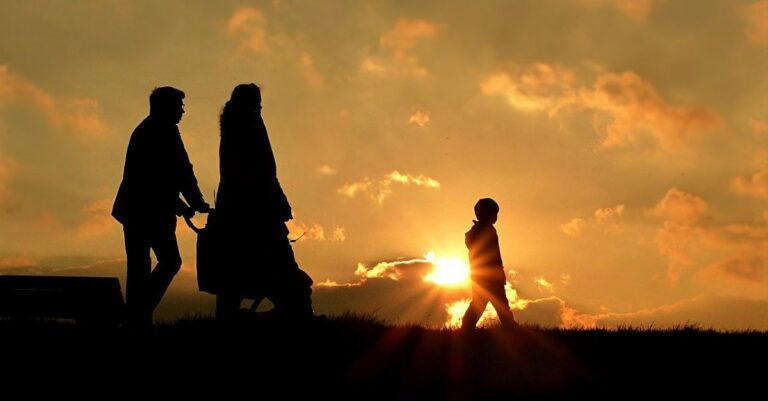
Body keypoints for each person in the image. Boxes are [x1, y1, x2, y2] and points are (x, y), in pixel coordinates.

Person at [214, 83, 313, 321]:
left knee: (239, 264)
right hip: (257, 208)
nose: (260, 104)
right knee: (275, 260)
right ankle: (297, 312)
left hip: (240, 207)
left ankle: (229, 316)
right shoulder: (247, 124)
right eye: (256, 100)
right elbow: (263, 171)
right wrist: (277, 200)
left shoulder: (234, 123)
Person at [112, 86, 210, 328]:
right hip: (150, 212)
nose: (183, 111)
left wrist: (185, 205)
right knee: (169, 261)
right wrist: (195, 203)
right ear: (166, 107)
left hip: (133, 210)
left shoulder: (145, 130)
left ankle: (137, 319)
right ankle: (137, 313)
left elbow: (159, 179)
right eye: (179, 106)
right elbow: (178, 174)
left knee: (138, 267)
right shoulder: (165, 132)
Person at [461, 198, 517, 330]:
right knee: (499, 305)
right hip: (489, 276)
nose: (495, 217)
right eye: (493, 213)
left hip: (482, 276)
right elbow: (490, 256)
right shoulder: (485, 231)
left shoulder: (482, 230)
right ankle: (511, 329)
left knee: (480, 303)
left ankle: (466, 327)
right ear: (485, 214)